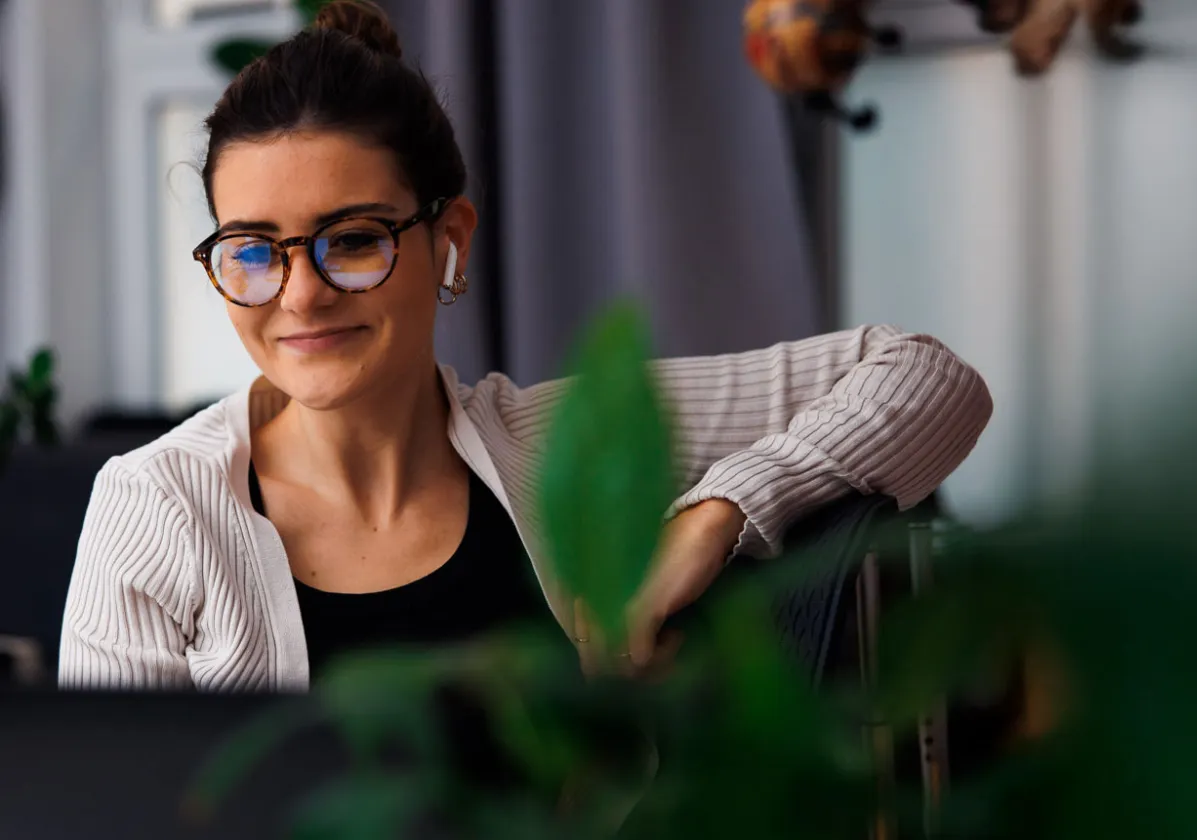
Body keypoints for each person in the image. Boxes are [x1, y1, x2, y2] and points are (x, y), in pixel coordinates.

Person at [56, 0, 992, 691]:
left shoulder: (572, 444)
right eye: (252, 251)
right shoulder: (154, 509)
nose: (299, 294)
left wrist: (716, 515)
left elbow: (927, 379)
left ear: (446, 238)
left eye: (351, 240)